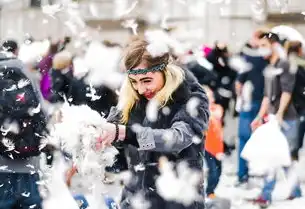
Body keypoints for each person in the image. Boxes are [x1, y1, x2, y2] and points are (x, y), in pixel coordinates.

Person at [97, 37, 210, 209]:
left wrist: (124, 133)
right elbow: (112, 131)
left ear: (165, 71)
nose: (141, 89)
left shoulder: (191, 98)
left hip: (177, 199)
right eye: (134, 82)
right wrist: (92, 136)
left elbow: (177, 139)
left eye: (147, 80)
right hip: (136, 198)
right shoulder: (132, 98)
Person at [250, 32, 302, 207]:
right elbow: (267, 96)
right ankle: (287, 192)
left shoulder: (284, 64)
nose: (261, 49)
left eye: (264, 45)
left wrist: (280, 114)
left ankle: (269, 194)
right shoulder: (269, 67)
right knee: (276, 156)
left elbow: (287, 91)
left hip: (287, 119)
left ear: (274, 45)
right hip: (273, 118)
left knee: (282, 157)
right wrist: (259, 116)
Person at [0, 44, 47, 209]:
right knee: (30, 203)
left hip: (1, 162)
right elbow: (42, 112)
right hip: (27, 159)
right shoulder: (26, 73)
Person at [234, 29, 269, 187]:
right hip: (267, 105)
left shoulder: (248, 58)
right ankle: (265, 175)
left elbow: (238, 83)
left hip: (250, 104)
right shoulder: (271, 59)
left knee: (244, 139)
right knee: (267, 141)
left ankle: (242, 175)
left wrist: (240, 97)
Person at [203, 87, 224, 199]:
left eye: (210, 95)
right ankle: (209, 192)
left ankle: (211, 190)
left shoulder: (217, 108)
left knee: (219, 171)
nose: (209, 98)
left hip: (218, 147)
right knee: (213, 171)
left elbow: (217, 115)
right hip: (207, 147)